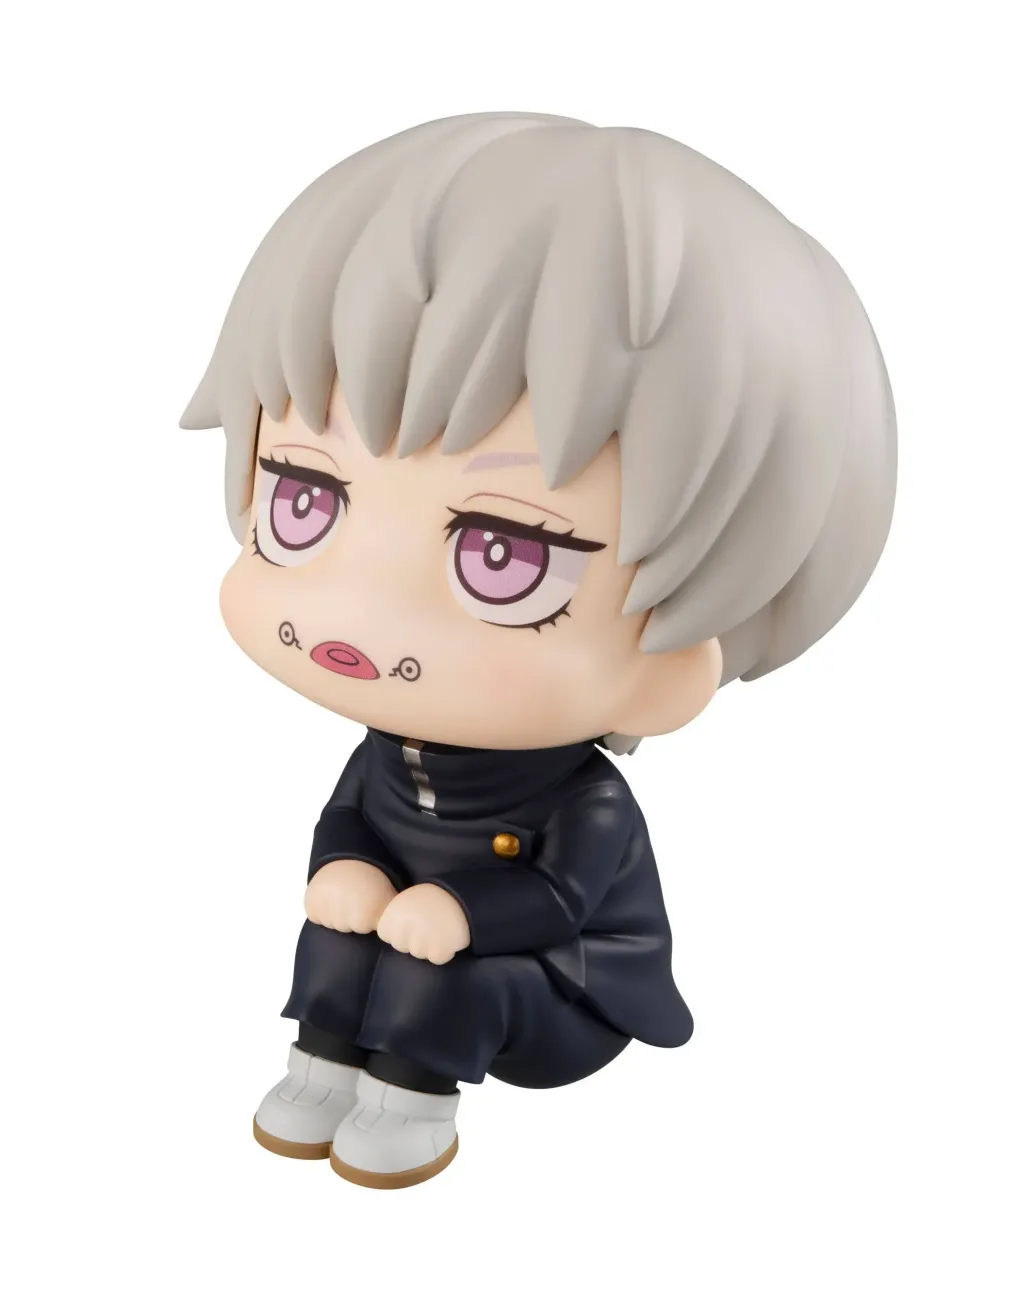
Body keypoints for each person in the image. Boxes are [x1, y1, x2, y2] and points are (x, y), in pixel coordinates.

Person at [181, 112, 896, 1188]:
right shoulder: (389, 750)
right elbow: (351, 816)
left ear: (672, 663)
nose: (358, 611)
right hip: (408, 937)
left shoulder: (586, 802)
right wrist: (346, 866)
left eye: (504, 555)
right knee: (334, 926)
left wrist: (462, 909)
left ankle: (413, 1095)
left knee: (446, 972)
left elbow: (564, 900)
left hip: (557, 984)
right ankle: (321, 1062)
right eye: (303, 499)